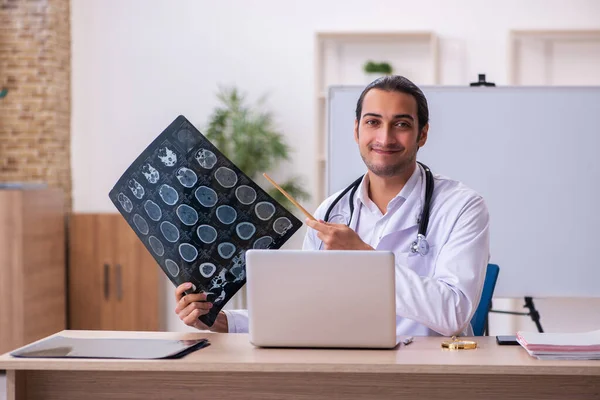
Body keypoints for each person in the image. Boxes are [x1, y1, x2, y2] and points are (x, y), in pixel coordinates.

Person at [174, 75, 490, 336]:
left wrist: (366, 259)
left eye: (402, 124)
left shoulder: (461, 207)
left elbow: (454, 314)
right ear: (356, 131)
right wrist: (226, 322)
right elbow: (307, 311)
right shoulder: (330, 212)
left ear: (422, 134)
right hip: (348, 371)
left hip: (430, 376)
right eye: (373, 122)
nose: (385, 136)